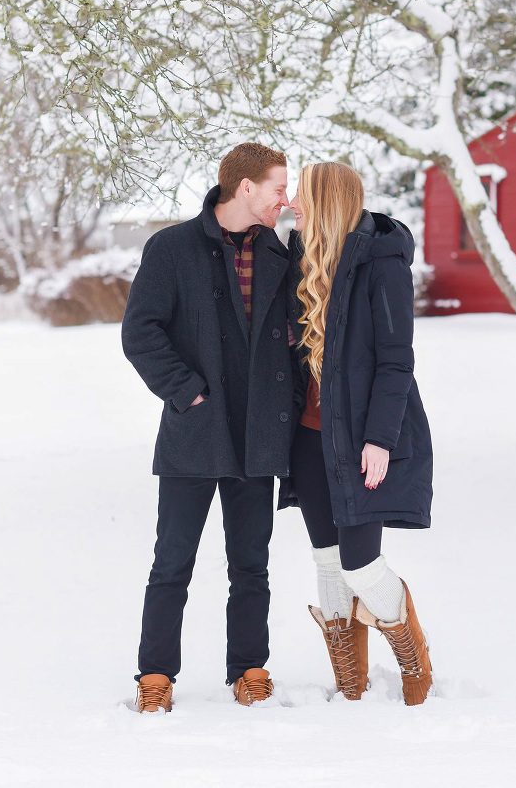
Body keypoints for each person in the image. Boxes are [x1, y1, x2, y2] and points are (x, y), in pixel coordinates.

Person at [122, 142, 295, 712]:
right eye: (278, 188)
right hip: (195, 431)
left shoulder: (280, 253)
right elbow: (140, 332)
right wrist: (187, 392)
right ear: (246, 188)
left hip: (259, 435)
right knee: (172, 561)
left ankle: (249, 668)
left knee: (252, 564)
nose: (285, 199)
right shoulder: (171, 248)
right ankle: (156, 677)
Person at [281, 161, 434, 706]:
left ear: (325, 199)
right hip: (309, 437)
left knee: (360, 563)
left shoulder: (382, 263)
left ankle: (412, 651)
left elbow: (396, 362)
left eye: (300, 194)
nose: (292, 204)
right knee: (326, 558)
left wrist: (381, 439)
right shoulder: (302, 259)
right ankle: (351, 678)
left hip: (361, 440)